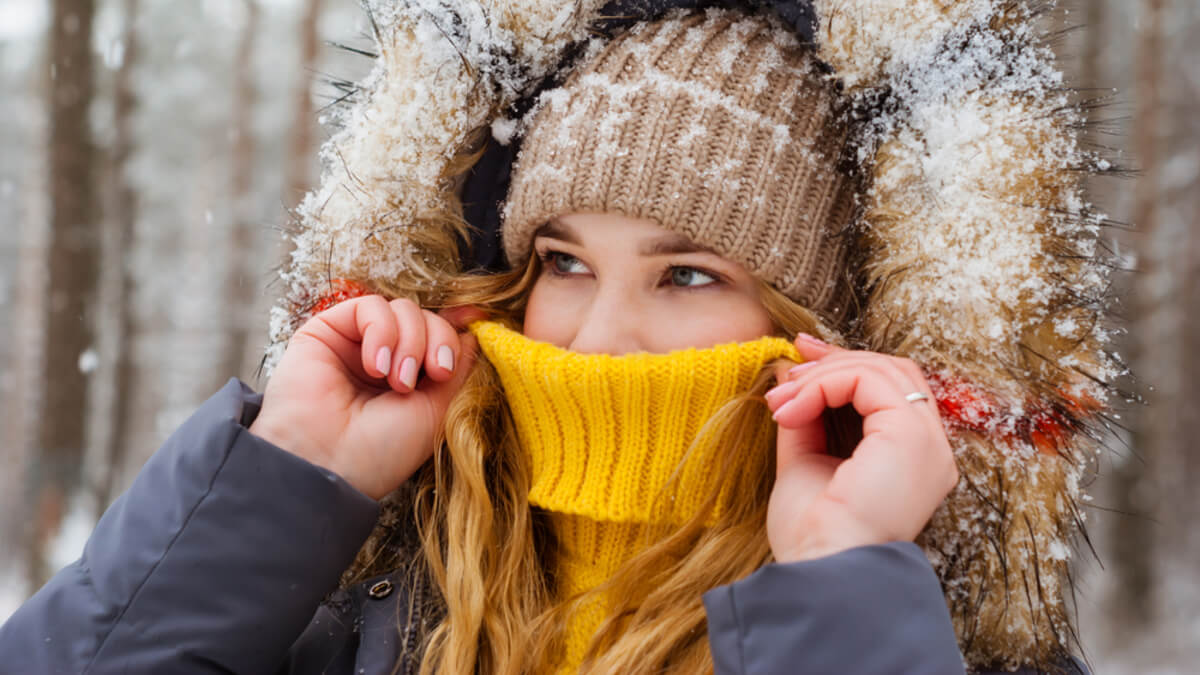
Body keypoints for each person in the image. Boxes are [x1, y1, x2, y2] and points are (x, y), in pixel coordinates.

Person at [1, 3, 1111, 674]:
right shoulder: (361, 610)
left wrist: (841, 583)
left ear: (830, 333)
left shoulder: (938, 646)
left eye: (688, 274)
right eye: (565, 264)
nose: (598, 341)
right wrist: (288, 477)